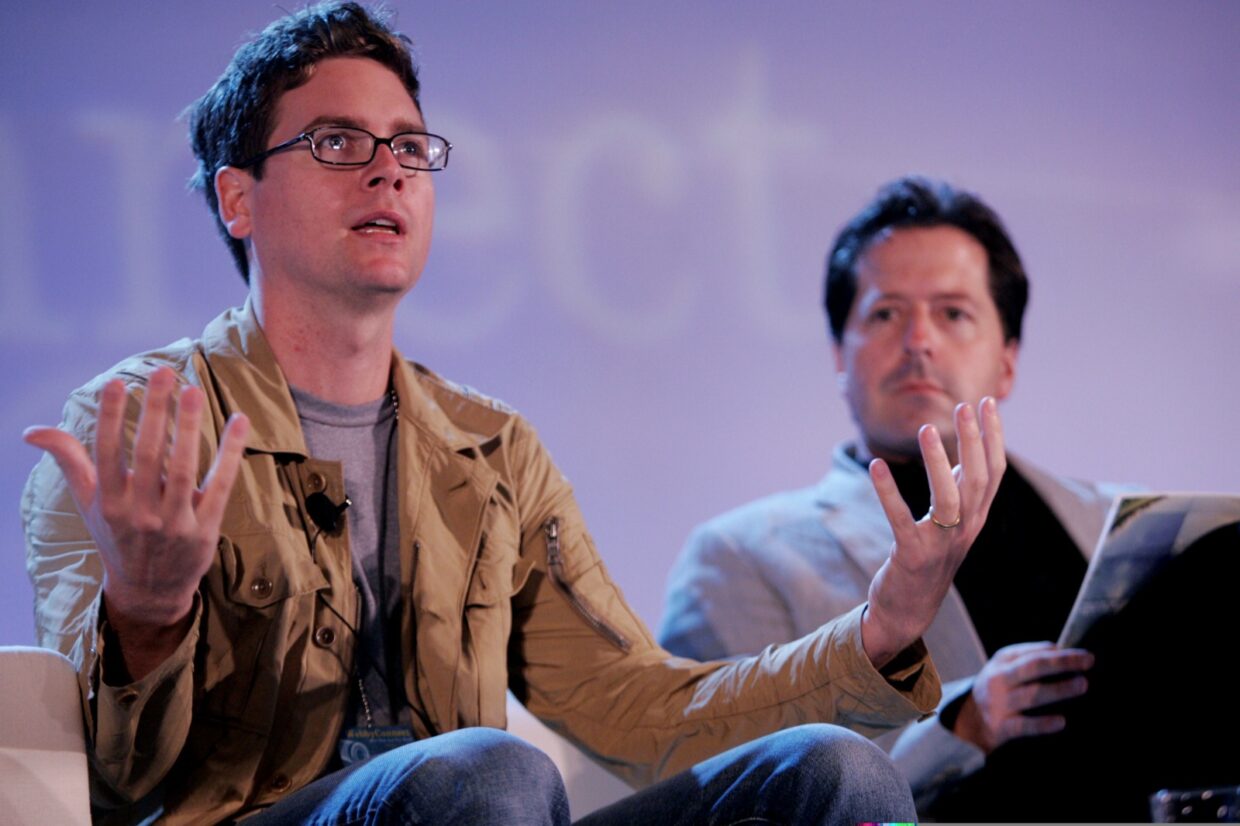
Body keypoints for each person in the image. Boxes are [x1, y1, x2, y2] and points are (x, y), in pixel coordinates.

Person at [20, 8, 1007, 825]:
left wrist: (879, 630)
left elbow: (638, 708)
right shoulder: (141, 427)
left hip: (482, 809)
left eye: (409, 145)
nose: (388, 170)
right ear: (238, 197)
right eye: (337, 143)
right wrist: (147, 617)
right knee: (490, 773)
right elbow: (118, 781)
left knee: (836, 772)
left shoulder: (488, 448)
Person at [659, 176, 1136, 820]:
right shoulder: (736, 560)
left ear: (1008, 361)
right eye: (885, 314)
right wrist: (958, 730)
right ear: (838, 355)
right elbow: (735, 797)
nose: (919, 341)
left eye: (953, 313)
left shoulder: (1117, 525)